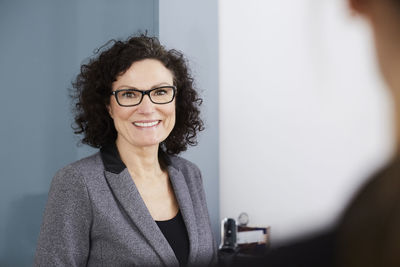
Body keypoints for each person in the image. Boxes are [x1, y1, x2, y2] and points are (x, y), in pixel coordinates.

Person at [34, 35, 217, 267]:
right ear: (108, 107)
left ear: (176, 100)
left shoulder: (189, 174)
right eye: (129, 94)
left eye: (160, 92)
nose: (147, 108)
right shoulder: (78, 182)